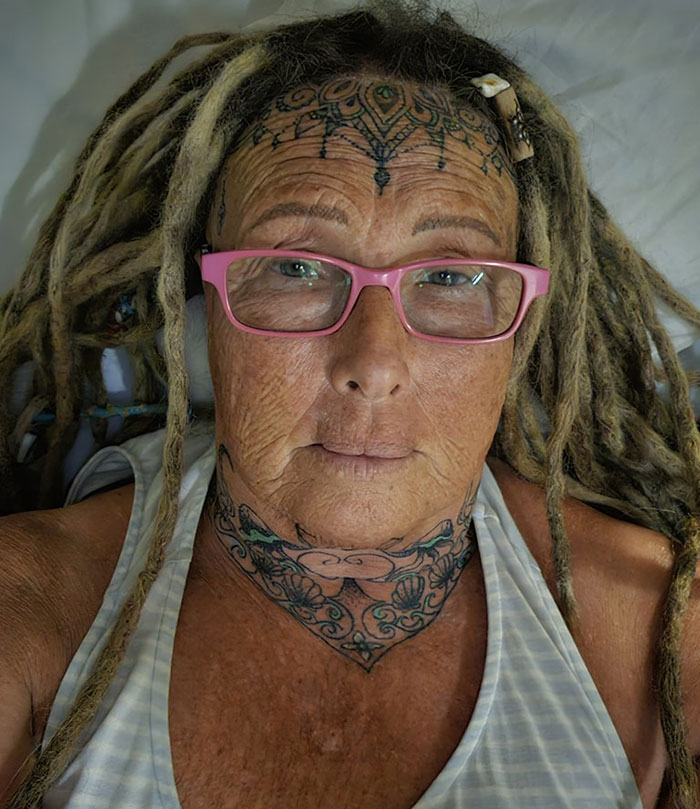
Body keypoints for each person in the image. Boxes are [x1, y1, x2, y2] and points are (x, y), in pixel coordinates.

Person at [1, 2, 699, 807]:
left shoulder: (657, 638)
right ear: (202, 292)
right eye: (295, 267)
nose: (373, 364)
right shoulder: (34, 613)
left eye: (451, 276)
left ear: (525, 324)